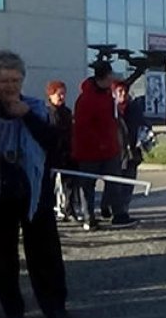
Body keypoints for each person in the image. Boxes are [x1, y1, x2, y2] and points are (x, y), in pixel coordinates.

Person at [0, 51, 70, 318]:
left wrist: (28, 116)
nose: (10, 86)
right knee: (0, 253)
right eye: (4, 80)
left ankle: (54, 305)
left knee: (44, 252)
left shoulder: (37, 108)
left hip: (34, 190)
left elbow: (54, 145)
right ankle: (12, 307)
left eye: (15, 80)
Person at [70, 60, 120, 232]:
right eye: (110, 76)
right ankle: (88, 217)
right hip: (89, 151)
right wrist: (100, 143)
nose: (112, 79)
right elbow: (82, 127)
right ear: (104, 77)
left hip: (110, 149)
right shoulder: (86, 99)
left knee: (114, 181)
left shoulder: (107, 95)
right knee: (87, 186)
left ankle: (108, 208)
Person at [101, 81, 146, 228]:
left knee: (129, 183)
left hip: (132, 152)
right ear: (113, 93)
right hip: (115, 153)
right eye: (119, 91)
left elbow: (143, 124)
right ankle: (114, 210)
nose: (123, 94)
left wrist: (146, 135)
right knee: (114, 184)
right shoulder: (108, 109)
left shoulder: (134, 108)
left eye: (125, 91)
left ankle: (122, 212)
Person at [46, 81, 81, 222]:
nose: (61, 97)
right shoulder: (46, 112)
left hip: (67, 153)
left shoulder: (66, 112)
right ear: (51, 95)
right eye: (58, 94)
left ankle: (69, 209)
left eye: (63, 94)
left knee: (70, 184)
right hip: (52, 153)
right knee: (49, 185)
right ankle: (49, 210)